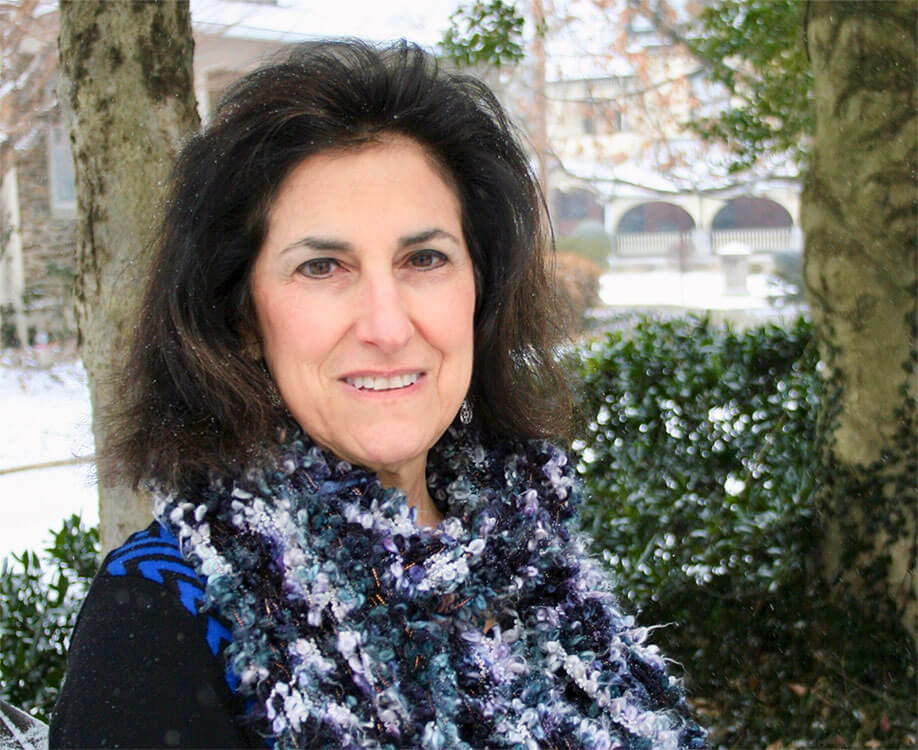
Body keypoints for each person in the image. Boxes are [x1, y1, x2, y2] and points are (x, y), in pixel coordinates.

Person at [50, 39, 706, 749]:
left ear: (480, 292)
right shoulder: (167, 609)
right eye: (323, 266)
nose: (388, 327)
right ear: (240, 317)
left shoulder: (530, 551)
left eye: (424, 259)